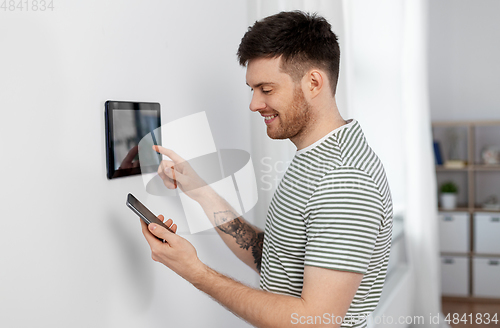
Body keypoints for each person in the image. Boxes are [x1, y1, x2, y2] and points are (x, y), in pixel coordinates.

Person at [140, 11, 392, 328]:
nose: (254, 104)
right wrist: (199, 189)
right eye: (252, 89)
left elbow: (315, 321)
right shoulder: (316, 158)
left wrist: (196, 272)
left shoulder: (345, 180)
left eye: (267, 89)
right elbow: (276, 258)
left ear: (314, 82)